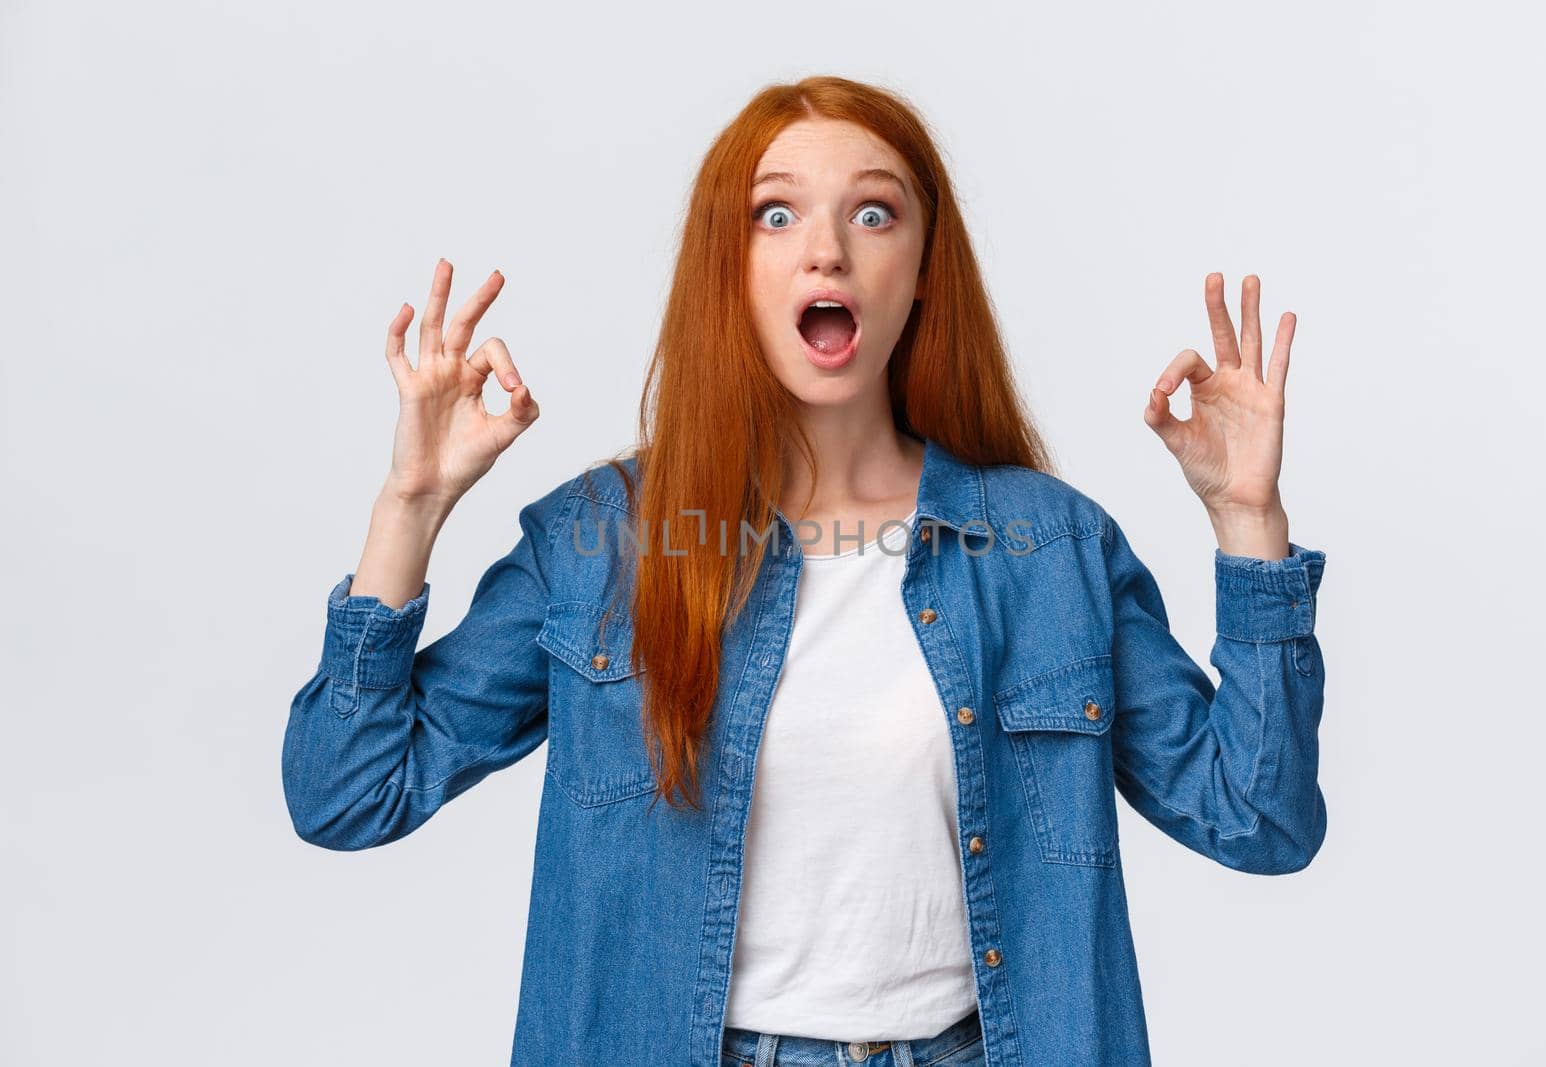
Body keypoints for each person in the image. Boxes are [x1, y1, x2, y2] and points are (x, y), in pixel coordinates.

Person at [282, 75, 1329, 1067]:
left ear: (921, 270)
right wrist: (409, 505)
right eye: (773, 215)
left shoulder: (1049, 546)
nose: (824, 249)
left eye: (874, 213)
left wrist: (1250, 523)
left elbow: (1259, 819)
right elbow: (348, 792)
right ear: (726, 267)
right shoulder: (602, 542)